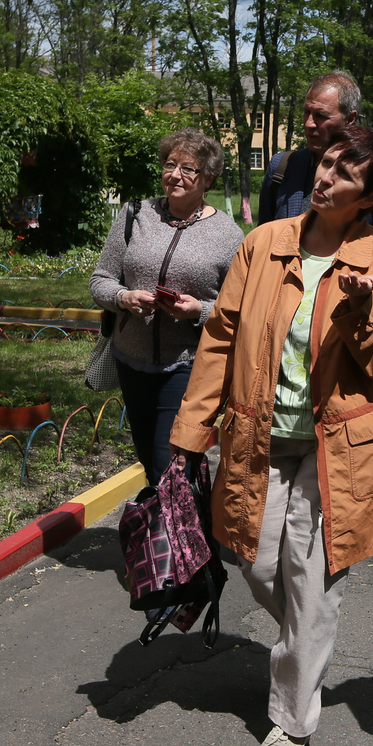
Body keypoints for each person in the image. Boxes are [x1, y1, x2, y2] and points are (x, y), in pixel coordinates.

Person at [169, 125, 373, 746]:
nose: (325, 174)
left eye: (344, 171)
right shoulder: (265, 244)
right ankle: (305, 644)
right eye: (326, 162)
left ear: (370, 197)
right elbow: (221, 338)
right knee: (254, 563)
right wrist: (191, 435)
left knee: (312, 582)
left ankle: (291, 719)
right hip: (259, 433)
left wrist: (365, 316)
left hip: (339, 449)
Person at [90, 128, 245, 485]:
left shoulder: (228, 235)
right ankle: (184, 529)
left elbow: (239, 308)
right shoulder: (134, 215)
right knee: (149, 456)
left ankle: (175, 537)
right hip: (131, 360)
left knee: (169, 460)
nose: (174, 174)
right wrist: (123, 298)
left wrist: (199, 311)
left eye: (188, 169)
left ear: (208, 178)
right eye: (170, 164)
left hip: (188, 364)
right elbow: (100, 280)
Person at [257, 71, 373, 254]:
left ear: (350, 119)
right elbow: (263, 241)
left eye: (321, 116)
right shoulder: (282, 167)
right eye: (307, 112)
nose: (309, 123)